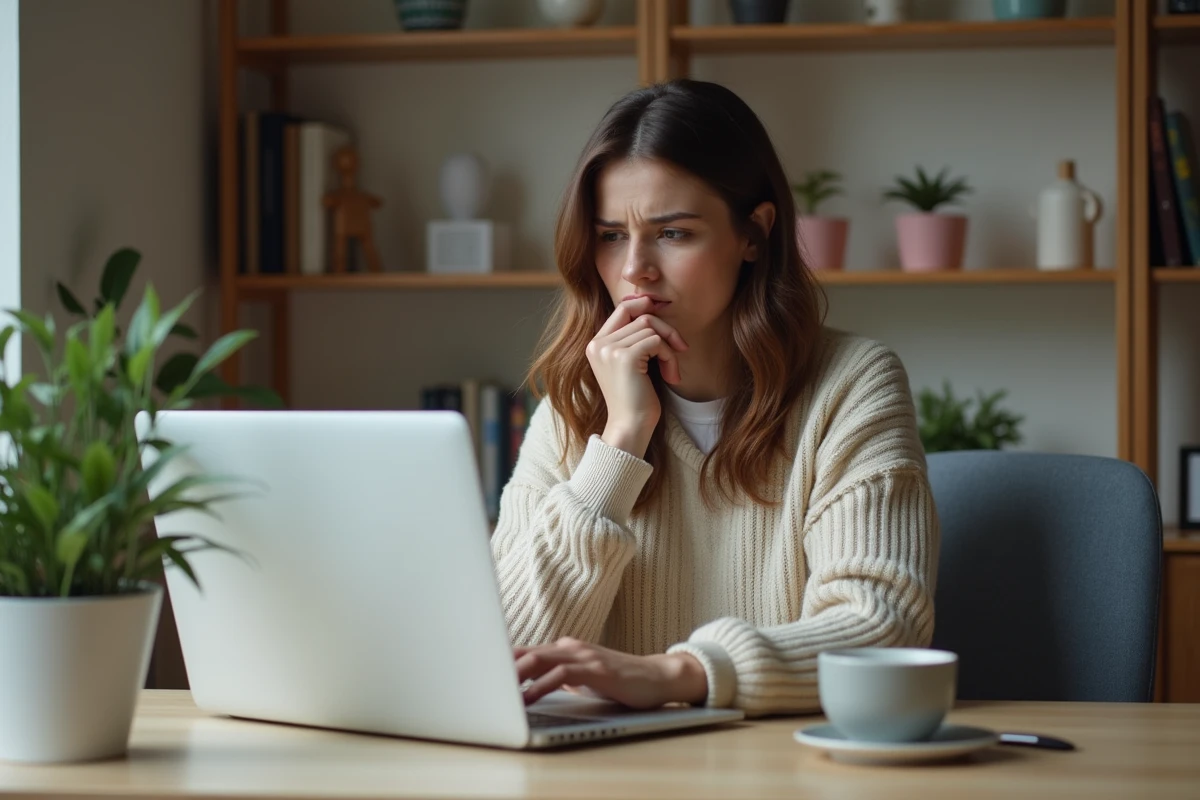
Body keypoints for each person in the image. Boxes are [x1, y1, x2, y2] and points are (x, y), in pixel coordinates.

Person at [490, 78, 938, 718]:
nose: (634, 269)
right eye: (612, 235)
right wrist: (620, 442)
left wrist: (681, 674)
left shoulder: (851, 384)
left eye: (673, 233)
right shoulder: (575, 406)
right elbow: (505, 654)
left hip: (788, 771)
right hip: (610, 777)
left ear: (753, 234)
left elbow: (880, 625)